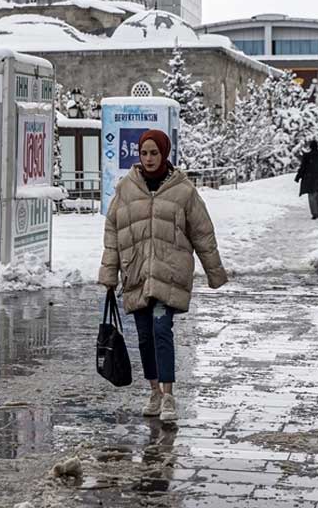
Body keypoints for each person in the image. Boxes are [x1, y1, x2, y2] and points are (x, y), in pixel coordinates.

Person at [99, 129, 228, 424]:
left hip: (169, 273)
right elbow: (112, 234)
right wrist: (109, 273)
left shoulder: (183, 191)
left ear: (164, 154)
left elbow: (202, 232)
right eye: (144, 153)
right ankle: (154, 391)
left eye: (154, 153)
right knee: (144, 337)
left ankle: (169, 394)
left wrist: (214, 272)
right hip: (137, 273)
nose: (148, 159)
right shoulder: (126, 189)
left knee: (161, 330)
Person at [295, 139, 318, 219]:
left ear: (310, 147)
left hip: (309, 179)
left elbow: (303, 168)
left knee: (311, 196)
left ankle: (314, 213)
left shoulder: (307, 156)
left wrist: (298, 177)